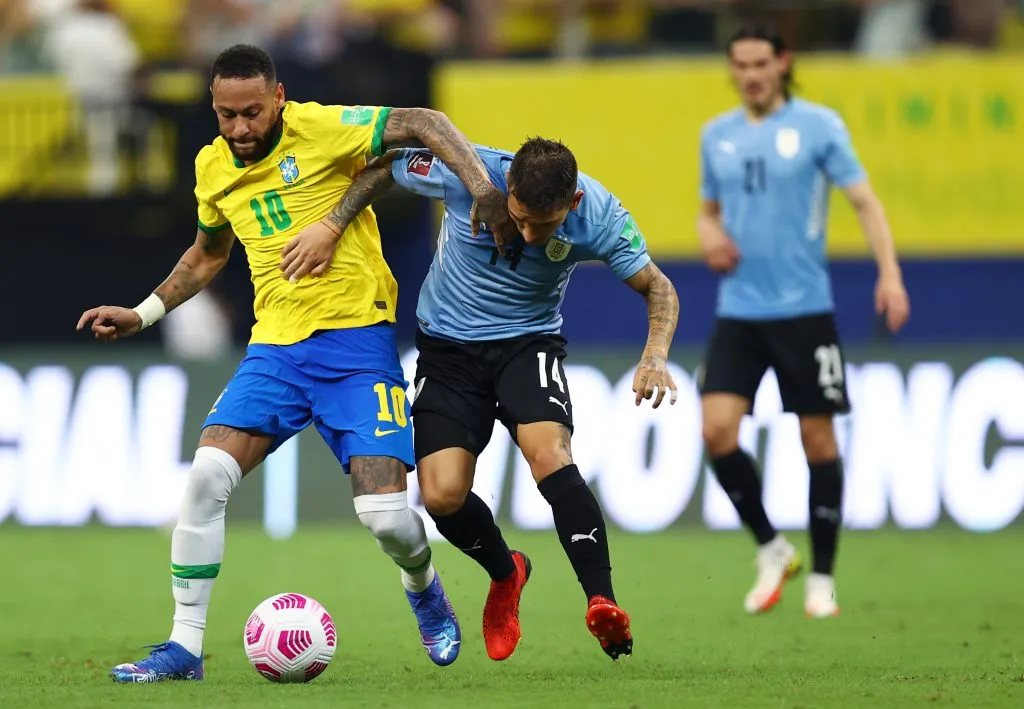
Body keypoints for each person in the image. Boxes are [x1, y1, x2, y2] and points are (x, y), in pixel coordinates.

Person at [76, 43, 514, 681]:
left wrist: (481, 189)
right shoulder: (211, 167)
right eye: (226, 115)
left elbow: (421, 122)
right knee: (203, 482)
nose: (240, 128)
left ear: (278, 98)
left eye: (252, 112)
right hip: (274, 352)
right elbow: (206, 255)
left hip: (357, 346)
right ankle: (184, 648)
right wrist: (142, 314)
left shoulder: (322, 127)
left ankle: (423, 586)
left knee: (386, 517)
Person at [281, 137, 680, 661]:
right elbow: (383, 166)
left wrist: (654, 355)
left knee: (551, 455)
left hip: (527, 343)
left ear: (574, 205)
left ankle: (601, 601)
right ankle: (506, 573)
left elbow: (658, 287)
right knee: (442, 495)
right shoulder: (466, 174)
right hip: (448, 352)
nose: (532, 235)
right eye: (521, 217)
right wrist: (333, 224)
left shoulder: (600, 214)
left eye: (548, 224)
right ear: (506, 188)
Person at [696, 24, 911, 618]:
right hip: (739, 310)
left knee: (817, 440)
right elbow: (708, 212)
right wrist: (709, 233)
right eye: (740, 64)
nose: (750, 75)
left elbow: (865, 201)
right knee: (716, 432)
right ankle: (772, 548)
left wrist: (888, 274)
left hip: (804, 310)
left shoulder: (819, 127)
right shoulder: (716, 136)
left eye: (760, 63)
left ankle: (822, 577)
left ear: (783, 63)